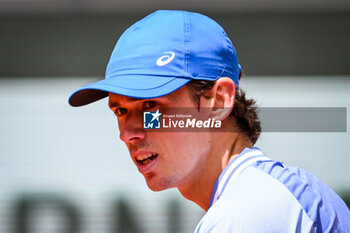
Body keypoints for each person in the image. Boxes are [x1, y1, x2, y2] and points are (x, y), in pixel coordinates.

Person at [69, 10, 350, 232]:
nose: (127, 133)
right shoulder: (269, 195)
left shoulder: (247, 213)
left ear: (218, 103)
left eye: (151, 105)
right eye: (119, 110)